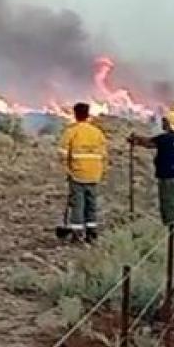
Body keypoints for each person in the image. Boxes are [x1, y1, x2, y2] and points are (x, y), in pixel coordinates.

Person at [129, 110, 174, 227]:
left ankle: (171, 233)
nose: (162, 123)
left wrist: (135, 139)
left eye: (164, 121)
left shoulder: (166, 138)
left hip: (169, 178)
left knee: (168, 205)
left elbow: (149, 143)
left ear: (169, 123)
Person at [58, 102, 107, 242]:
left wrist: (67, 169)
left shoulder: (71, 131)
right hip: (94, 174)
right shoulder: (97, 132)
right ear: (88, 114)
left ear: (75, 114)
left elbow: (62, 153)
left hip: (77, 174)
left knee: (77, 204)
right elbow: (104, 154)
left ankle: (77, 233)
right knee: (91, 203)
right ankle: (91, 231)